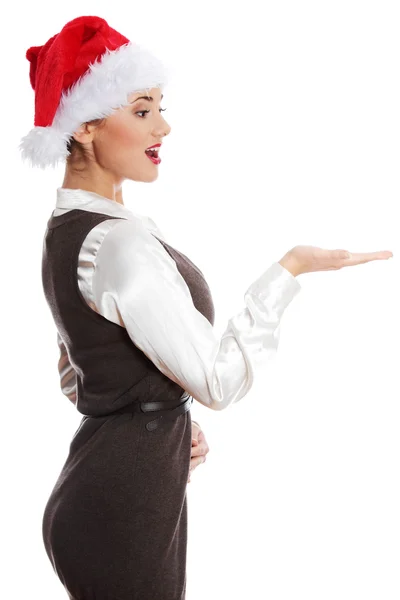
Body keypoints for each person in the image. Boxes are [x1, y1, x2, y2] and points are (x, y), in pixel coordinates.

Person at [20, 15, 393, 600]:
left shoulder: (67, 230)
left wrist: (155, 422)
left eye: (161, 107)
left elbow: (77, 376)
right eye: (142, 110)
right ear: (86, 125)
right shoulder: (118, 242)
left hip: (109, 490)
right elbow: (219, 382)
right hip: (122, 511)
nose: (163, 126)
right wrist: (288, 271)